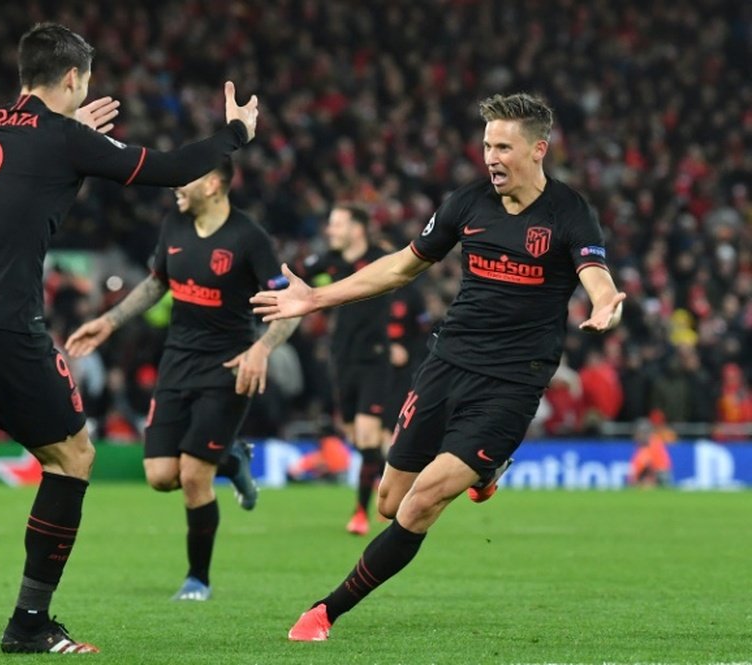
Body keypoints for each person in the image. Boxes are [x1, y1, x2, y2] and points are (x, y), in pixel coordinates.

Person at [0, 22, 258, 654]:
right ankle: (29, 622)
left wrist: (75, 139)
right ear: (73, 79)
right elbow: (171, 168)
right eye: (85, 82)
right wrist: (235, 133)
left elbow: (22, 163)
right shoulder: (65, 139)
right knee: (72, 458)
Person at [251, 92, 625, 641]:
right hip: (446, 364)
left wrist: (604, 302)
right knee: (389, 503)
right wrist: (315, 299)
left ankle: (323, 612)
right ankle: (488, 472)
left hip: (513, 381)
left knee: (423, 501)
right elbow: (400, 268)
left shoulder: (570, 212)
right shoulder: (466, 203)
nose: (491, 157)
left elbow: (597, 276)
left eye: (503, 147)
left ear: (538, 150)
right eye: (486, 146)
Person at [65, 158, 300, 602]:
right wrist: (109, 322)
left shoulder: (249, 238)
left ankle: (198, 580)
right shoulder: (174, 223)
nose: (175, 185)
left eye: (185, 178)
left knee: (194, 477)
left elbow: (290, 303)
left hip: (227, 368)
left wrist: (262, 348)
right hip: (177, 363)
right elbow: (157, 284)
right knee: (159, 476)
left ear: (212, 184)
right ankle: (232, 460)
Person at [303, 205, 392, 535]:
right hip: (342, 360)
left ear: (358, 229)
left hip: (374, 359)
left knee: (369, 435)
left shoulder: (382, 258)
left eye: (337, 224)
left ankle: (360, 513)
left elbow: (407, 287)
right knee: (359, 439)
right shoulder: (327, 262)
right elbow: (297, 279)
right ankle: (388, 481)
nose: (330, 230)